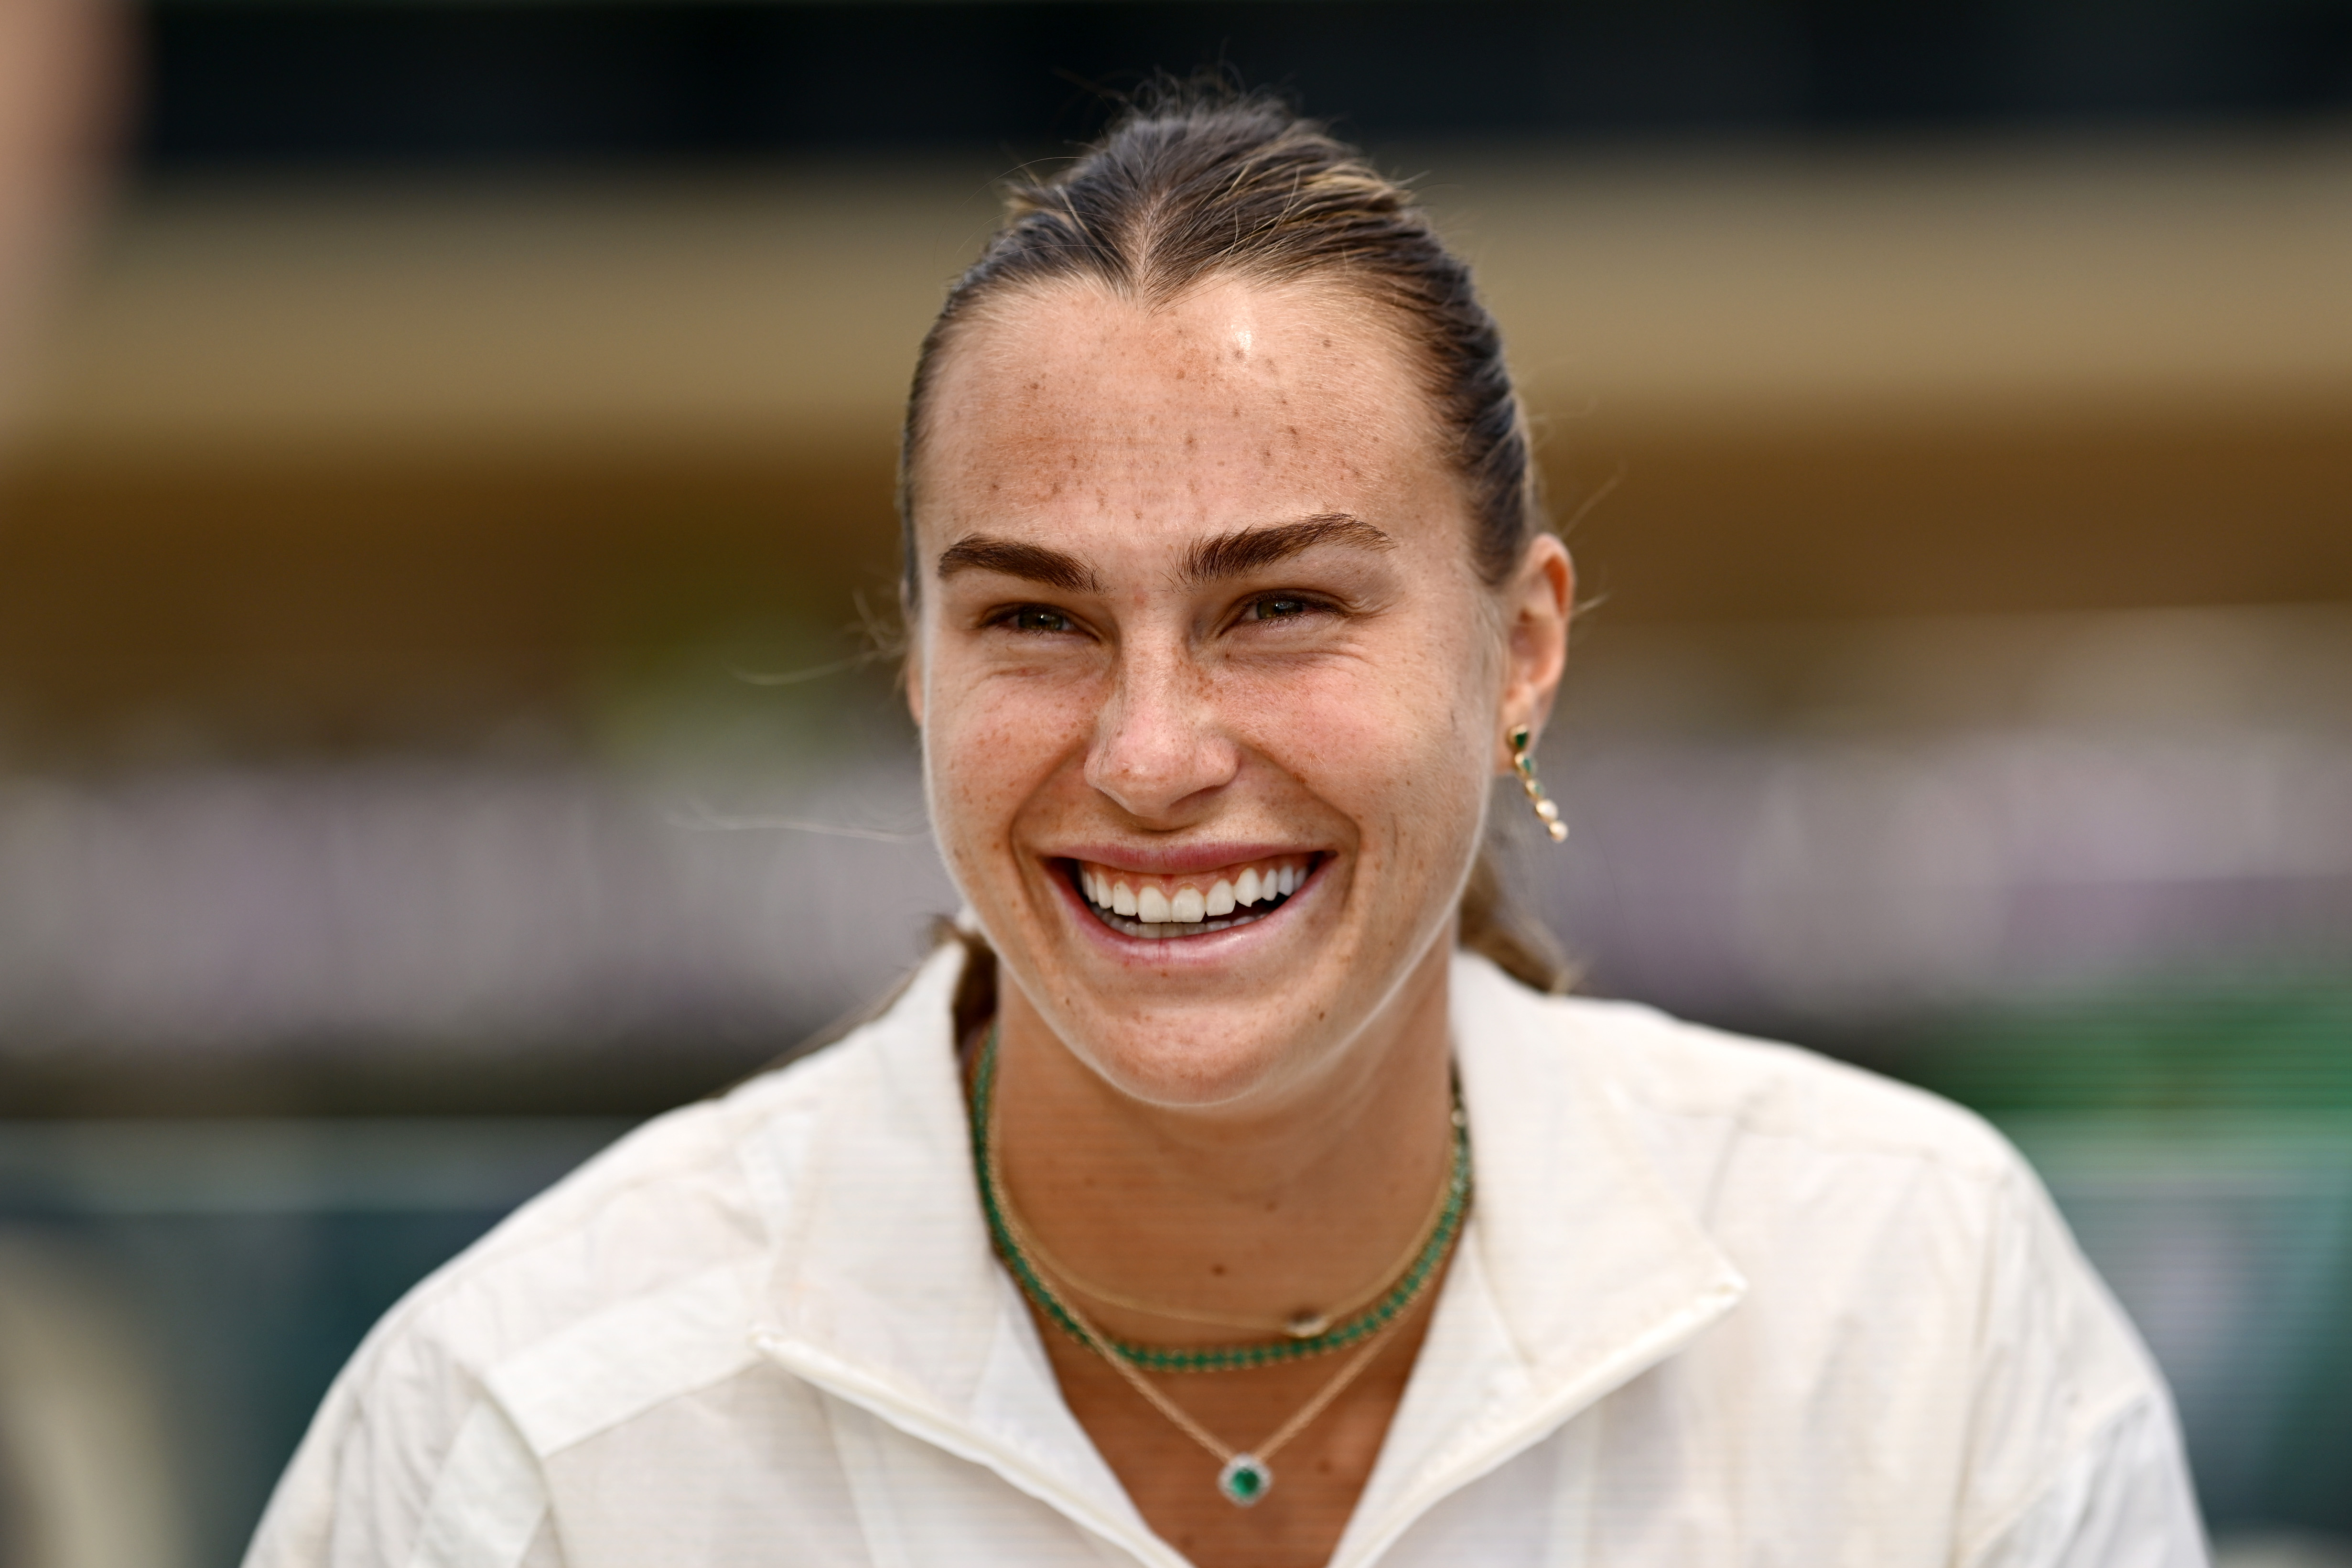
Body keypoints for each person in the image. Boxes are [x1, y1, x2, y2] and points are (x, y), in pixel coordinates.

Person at [245, 85, 2206, 1568]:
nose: (1155, 748)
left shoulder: (1911, 1310)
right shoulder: (538, 1427)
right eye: (1035, 618)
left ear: (1519, 644)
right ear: (915, 668)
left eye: (1279, 606)